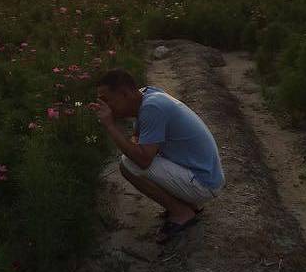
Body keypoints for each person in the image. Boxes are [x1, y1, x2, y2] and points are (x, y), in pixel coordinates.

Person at [93, 67, 226, 244]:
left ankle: (182, 213)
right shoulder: (147, 95)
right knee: (136, 157)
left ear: (125, 93)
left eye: (106, 100)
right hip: (206, 175)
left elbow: (143, 160)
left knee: (129, 164)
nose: (105, 106)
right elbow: (138, 140)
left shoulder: (152, 108)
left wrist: (110, 126)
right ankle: (186, 205)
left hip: (204, 183)